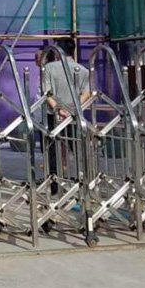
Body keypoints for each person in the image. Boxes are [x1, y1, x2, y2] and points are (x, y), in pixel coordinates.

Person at [42, 37, 91, 195]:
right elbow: (87, 93)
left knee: (53, 151)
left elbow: (46, 92)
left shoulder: (49, 68)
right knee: (77, 148)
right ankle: (83, 181)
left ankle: (54, 185)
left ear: (59, 51)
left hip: (54, 115)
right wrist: (73, 109)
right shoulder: (82, 70)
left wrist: (57, 108)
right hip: (74, 116)